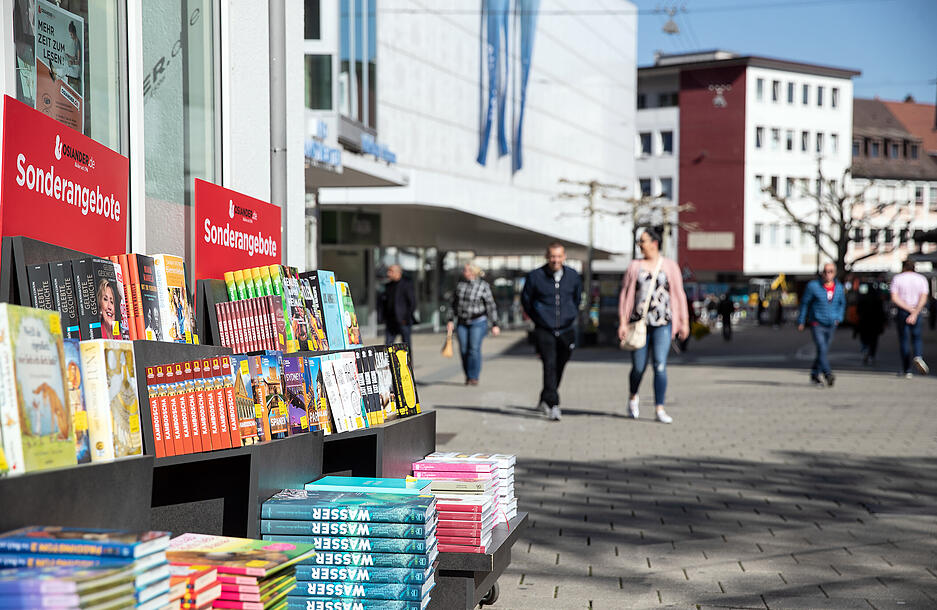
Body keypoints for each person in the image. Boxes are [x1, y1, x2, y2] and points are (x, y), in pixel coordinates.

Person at [618, 230, 689, 424]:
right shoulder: (635, 266)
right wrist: (623, 322)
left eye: (643, 241)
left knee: (660, 365)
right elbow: (626, 295)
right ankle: (633, 397)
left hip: (663, 324)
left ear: (654, 243)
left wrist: (684, 322)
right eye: (639, 242)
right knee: (639, 367)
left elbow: (679, 294)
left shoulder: (670, 266)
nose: (640, 245)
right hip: (639, 324)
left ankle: (659, 408)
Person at [521, 243, 581, 421]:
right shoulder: (535, 276)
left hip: (566, 328)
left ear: (564, 257)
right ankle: (554, 404)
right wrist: (539, 318)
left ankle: (545, 397)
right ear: (547, 257)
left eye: (559, 256)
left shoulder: (573, 276)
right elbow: (527, 300)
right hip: (544, 328)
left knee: (561, 365)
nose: (555, 260)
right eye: (552, 256)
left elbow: (577, 298)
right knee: (549, 365)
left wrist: (570, 315)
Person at [446, 263, 500, 385]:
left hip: (478, 321)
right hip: (462, 322)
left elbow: (490, 305)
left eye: (466, 270)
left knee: (474, 349)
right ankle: (468, 374)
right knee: (464, 350)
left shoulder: (483, 286)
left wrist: (494, 324)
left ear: (473, 272)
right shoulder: (460, 286)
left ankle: (473, 376)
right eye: (464, 270)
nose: (464, 273)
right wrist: (450, 320)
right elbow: (453, 304)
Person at [797, 262, 846, 386]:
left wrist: (839, 318)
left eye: (830, 271)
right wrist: (801, 320)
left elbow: (842, 304)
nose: (827, 274)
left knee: (822, 351)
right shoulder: (813, 286)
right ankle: (828, 373)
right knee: (821, 348)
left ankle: (814, 374)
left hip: (832, 323)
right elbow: (805, 303)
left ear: (834, 273)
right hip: (817, 323)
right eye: (825, 271)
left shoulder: (839, 287)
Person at [890, 260, 930, 377]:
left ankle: (907, 369)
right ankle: (918, 356)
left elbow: (894, 297)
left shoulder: (897, 278)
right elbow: (923, 297)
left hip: (903, 311)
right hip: (917, 310)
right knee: (917, 337)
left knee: (904, 339)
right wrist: (915, 312)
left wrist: (908, 310)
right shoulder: (921, 279)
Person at [378, 264, 416, 350]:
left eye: (390, 271)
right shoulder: (388, 286)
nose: (388, 273)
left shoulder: (406, 284)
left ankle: (408, 363)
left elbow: (412, 303)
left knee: (406, 345)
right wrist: (383, 317)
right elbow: (383, 302)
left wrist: (405, 318)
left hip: (403, 321)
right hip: (391, 321)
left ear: (398, 272)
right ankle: (390, 363)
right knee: (388, 345)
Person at [856, 285, 886, 366]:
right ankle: (871, 355)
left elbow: (858, 311)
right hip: (874, 324)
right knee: (874, 341)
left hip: (864, 323)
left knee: (864, 339)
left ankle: (865, 350)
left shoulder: (862, 299)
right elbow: (882, 314)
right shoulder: (878, 301)